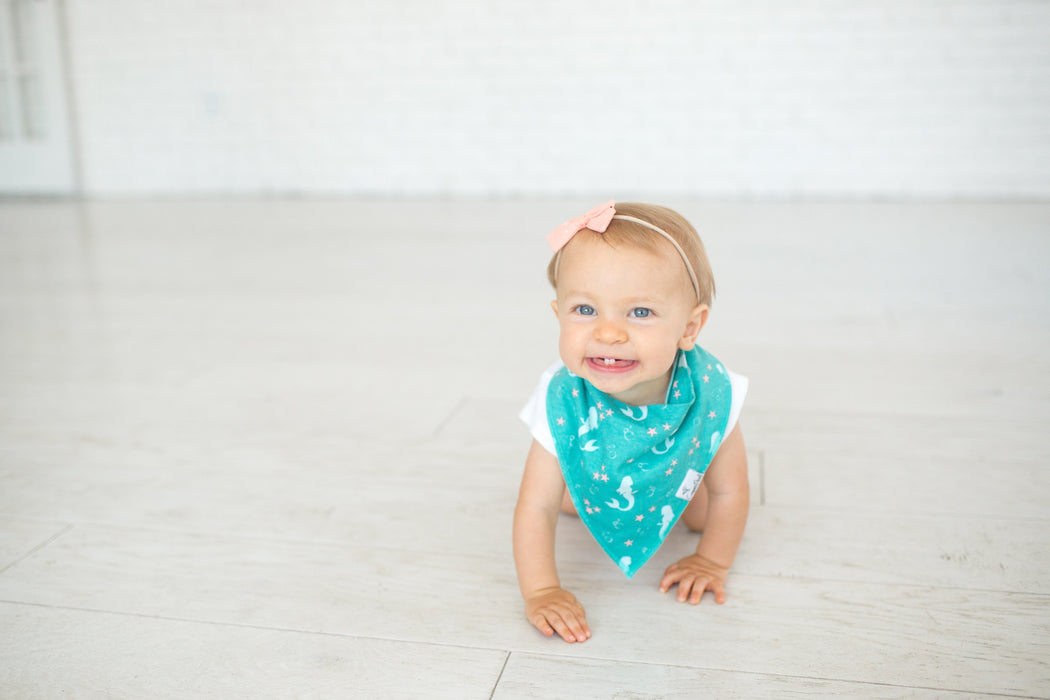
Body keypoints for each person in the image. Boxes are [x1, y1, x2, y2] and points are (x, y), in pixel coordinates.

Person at [513, 201, 749, 643]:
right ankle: (594, 493)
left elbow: (730, 489)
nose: (608, 333)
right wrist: (542, 590)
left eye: (639, 312)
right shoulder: (563, 397)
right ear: (557, 313)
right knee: (564, 500)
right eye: (585, 310)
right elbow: (535, 507)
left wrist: (711, 561)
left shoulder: (712, 389)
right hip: (592, 473)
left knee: (701, 515)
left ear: (690, 327)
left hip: (676, 471)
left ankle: (669, 500)